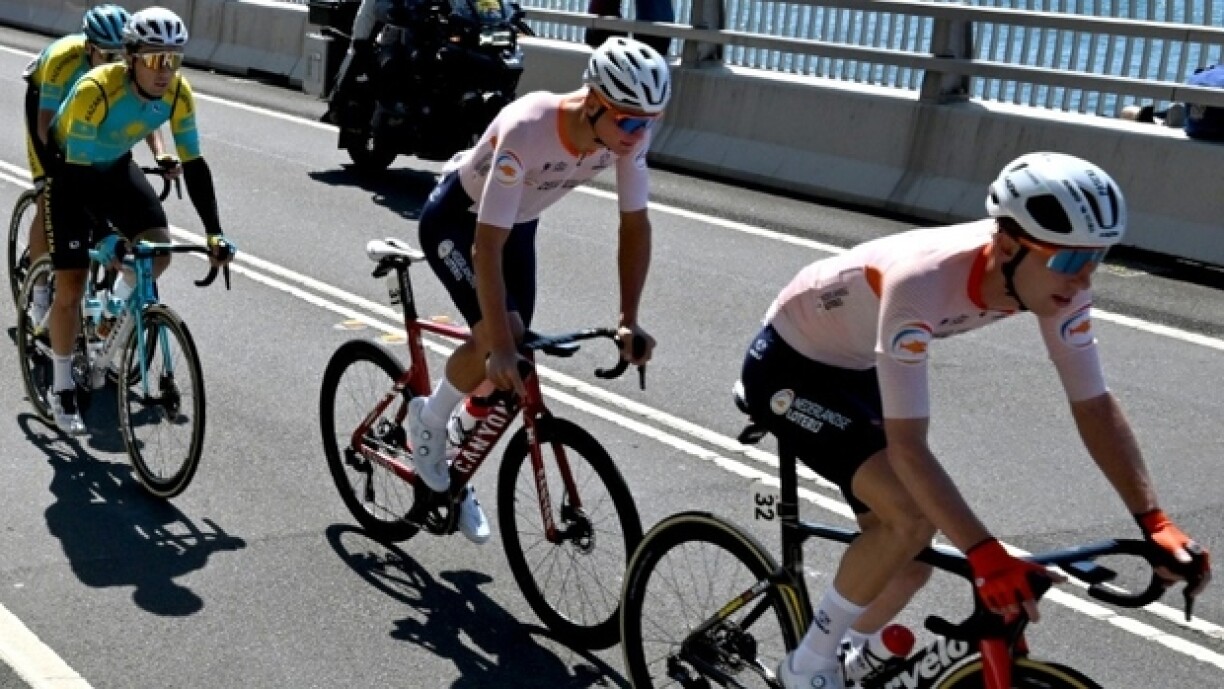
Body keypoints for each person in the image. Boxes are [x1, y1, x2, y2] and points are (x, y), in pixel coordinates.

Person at [734, 152, 1213, 689]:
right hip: (790, 367)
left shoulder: (1056, 283)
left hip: (860, 359)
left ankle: (853, 654)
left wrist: (1154, 521)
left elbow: (1093, 404)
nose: (1081, 280)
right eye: (1065, 261)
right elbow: (909, 447)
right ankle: (807, 668)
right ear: (1007, 246)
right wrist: (985, 554)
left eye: (1096, 257)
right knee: (911, 519)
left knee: (907, 562)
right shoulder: (920, 283)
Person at [408, 36, 670, 544]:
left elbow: (634, 225)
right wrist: (499, 346)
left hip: (519, 224)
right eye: (631, 123)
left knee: (515, 352)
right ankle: (429, 420)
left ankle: (458, 464)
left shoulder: (623, 133)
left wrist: (627, 318)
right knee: (499, 338)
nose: (639, 136)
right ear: (593, 102)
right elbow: (485, 246)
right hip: (460, 223)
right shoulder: (530, 129)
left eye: (650, 124)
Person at [39, 6, 235, 435]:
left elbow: (195, 165)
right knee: (71, 284)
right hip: (71, 171)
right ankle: (61, 389)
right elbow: (78, 176)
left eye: (174, 59)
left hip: (114, 166)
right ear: (130, 58)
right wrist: (106, 235)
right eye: (154, 59)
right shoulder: (98, 90)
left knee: (157, 248)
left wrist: (214, 233)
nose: (165, 71)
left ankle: (110, 317)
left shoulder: (179, 94)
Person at [21, 4, 177, 324]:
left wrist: (161, 153)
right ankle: (38, 294)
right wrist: (60, 174)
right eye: (106, 56)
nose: (116, 63)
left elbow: (143, 112)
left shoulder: (119, 75)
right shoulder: (64, 59)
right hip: (49, 111)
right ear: (89, 48)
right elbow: (45, 129)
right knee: (48, 193)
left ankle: (109, 311)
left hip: (88, 115)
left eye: (120, 56)